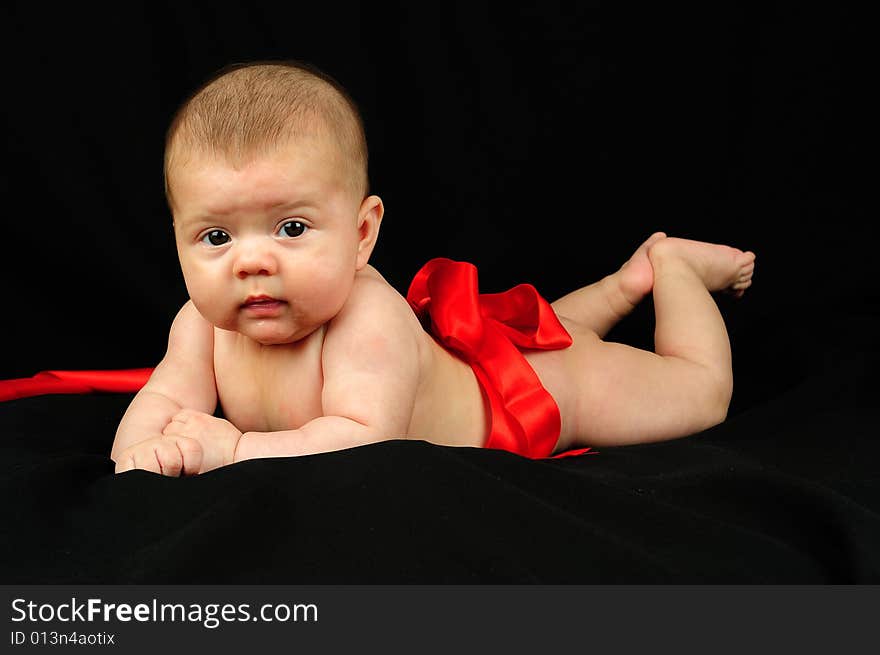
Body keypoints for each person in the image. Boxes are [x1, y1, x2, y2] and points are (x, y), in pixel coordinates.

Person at [111, 60, 756, 475]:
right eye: (216, 236)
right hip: (473, 359)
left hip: (526, 403)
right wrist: (136, 456)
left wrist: (237, 450)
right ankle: (623, 285)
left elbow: (361, 443)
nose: (252, 261)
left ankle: (673, 266)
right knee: (552, 326)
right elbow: (163, 399)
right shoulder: (200, 325)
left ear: (363, 235)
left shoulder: (368, 320)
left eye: (292, 228)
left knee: (697, 395)